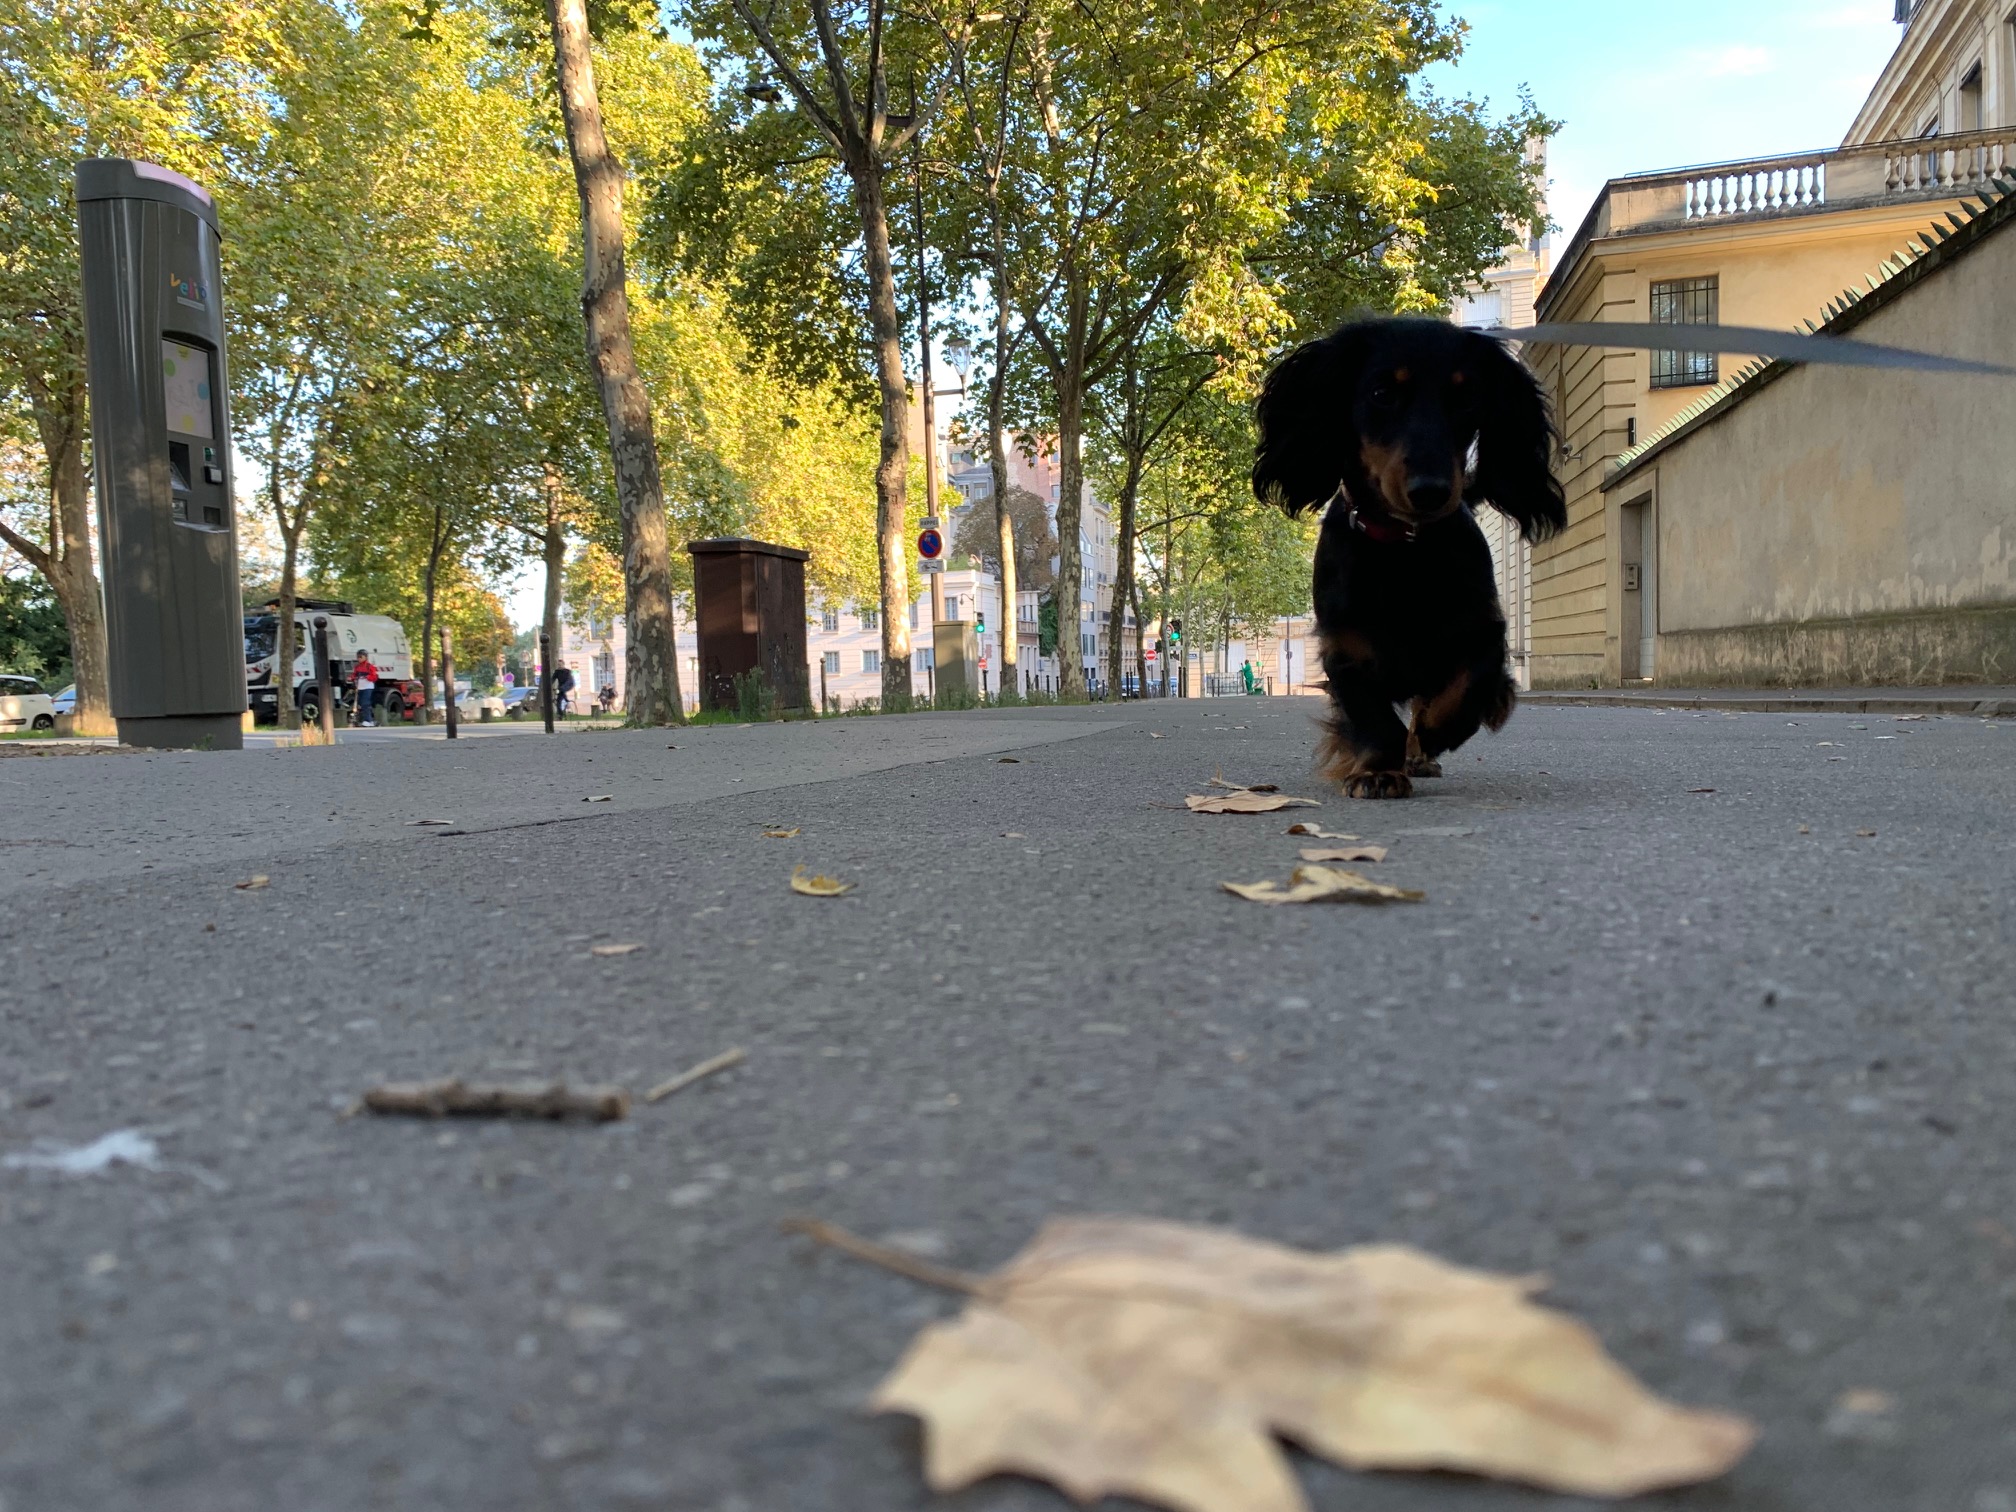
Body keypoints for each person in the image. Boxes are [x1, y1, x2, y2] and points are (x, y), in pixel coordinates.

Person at [352, 652, 379, 726]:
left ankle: (368, 720)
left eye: (361, 657)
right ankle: (369, 719)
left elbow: (375, 677)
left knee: (365, 703)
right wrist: (352, 678)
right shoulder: (357, 667)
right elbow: (354, 675)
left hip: (368, 687)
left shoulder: (369, 666)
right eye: (358, 657)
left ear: (365, 657)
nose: (359, 659)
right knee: (361, 704)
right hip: (360, 687)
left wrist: (368, 677)